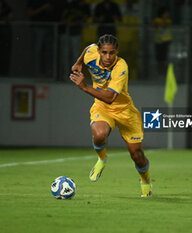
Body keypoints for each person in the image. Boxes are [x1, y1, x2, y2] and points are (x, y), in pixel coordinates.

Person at [70, 34, 152, 197]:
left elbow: (109, 97)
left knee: (137, 156)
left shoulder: (121, 67)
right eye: (105, 52)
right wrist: (79, 62)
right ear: (99, 51)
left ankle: (146, 181)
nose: (108, 57)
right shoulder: (91, 53)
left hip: (124, 111)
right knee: (99, 135)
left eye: (112, 53)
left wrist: (85, 87)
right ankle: (102, 159)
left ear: (117, 52)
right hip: (102, 107)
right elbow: (88, 48)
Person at [151, 7, 172, 79]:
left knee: (164, 59)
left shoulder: (168, 20)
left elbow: (164, 24)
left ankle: (165, 74)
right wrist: (158, 23)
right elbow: (153, 24)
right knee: (159, 59)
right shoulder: (157, 20)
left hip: (166, 42)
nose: (168, 14)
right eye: (166, 13)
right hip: (158, 42)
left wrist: (159, 23)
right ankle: (159, 73)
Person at [0, 0, 13, 76]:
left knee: (4, 54)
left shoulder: (6, 7)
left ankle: (4, 73)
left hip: (5, 33)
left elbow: (10, 17)